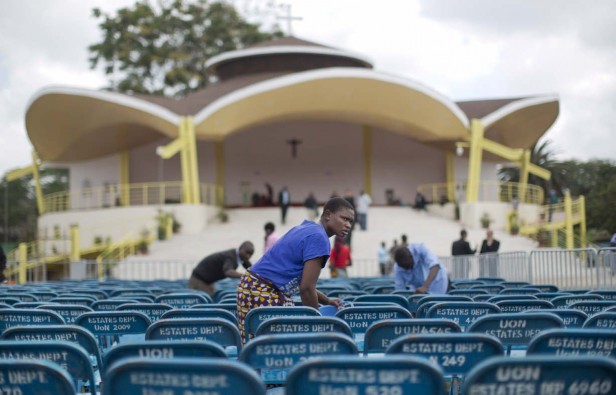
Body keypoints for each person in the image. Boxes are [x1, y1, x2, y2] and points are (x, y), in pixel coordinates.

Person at [236, 197, 352, 342]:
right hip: (263, 290)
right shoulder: (319, 238)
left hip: (253, 285)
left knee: (257, 347)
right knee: (269, 350)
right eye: (344, 219)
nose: (348, 225)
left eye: (350, 222)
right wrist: (318, 325)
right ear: (328, 215)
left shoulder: (307, 228)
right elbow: (306, 288)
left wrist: (327, 300)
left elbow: (302, 282)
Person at [189, 241, 254, 296]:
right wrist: (245, 276)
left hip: (208, 281)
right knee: (206, 303)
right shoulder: (231, 256)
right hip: (199, 280)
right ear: (240, 248)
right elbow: (228, 272)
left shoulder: (241, 258)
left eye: (250, 254)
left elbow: (251, 269)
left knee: (213, 299)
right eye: (246, 252)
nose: (248, 256)